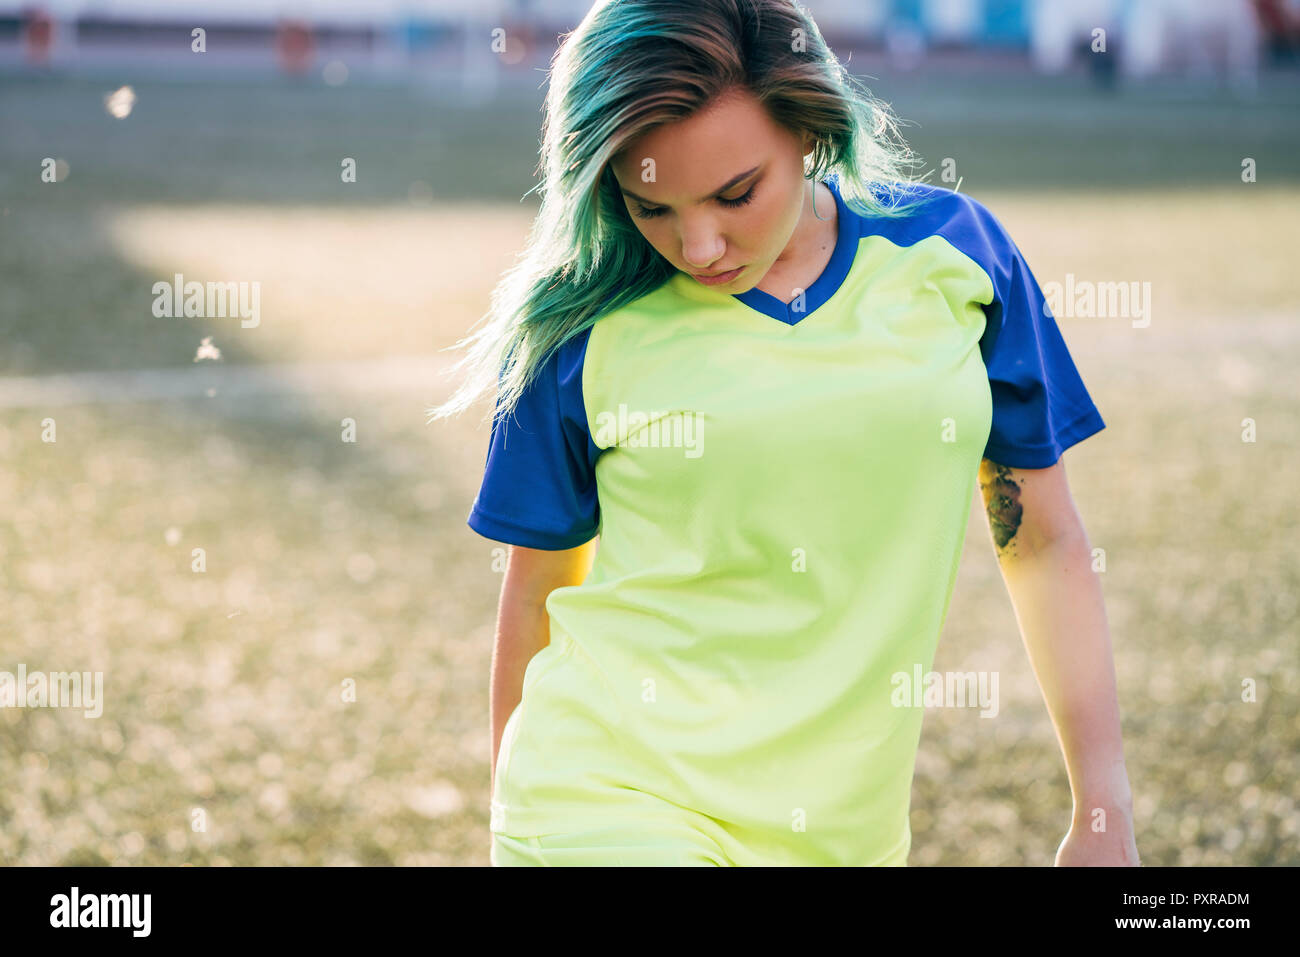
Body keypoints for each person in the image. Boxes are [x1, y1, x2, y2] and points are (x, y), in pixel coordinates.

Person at [428, 0, 1139, 867]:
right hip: (605, 802)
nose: (699, 245)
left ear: (809, 129)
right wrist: (516, 812)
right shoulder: (578, 329)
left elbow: (1044, 541)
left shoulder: (957, 256)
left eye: (735, 194)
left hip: (847, 836)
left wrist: (1102, 808)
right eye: (649, 205)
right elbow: (537, 593)